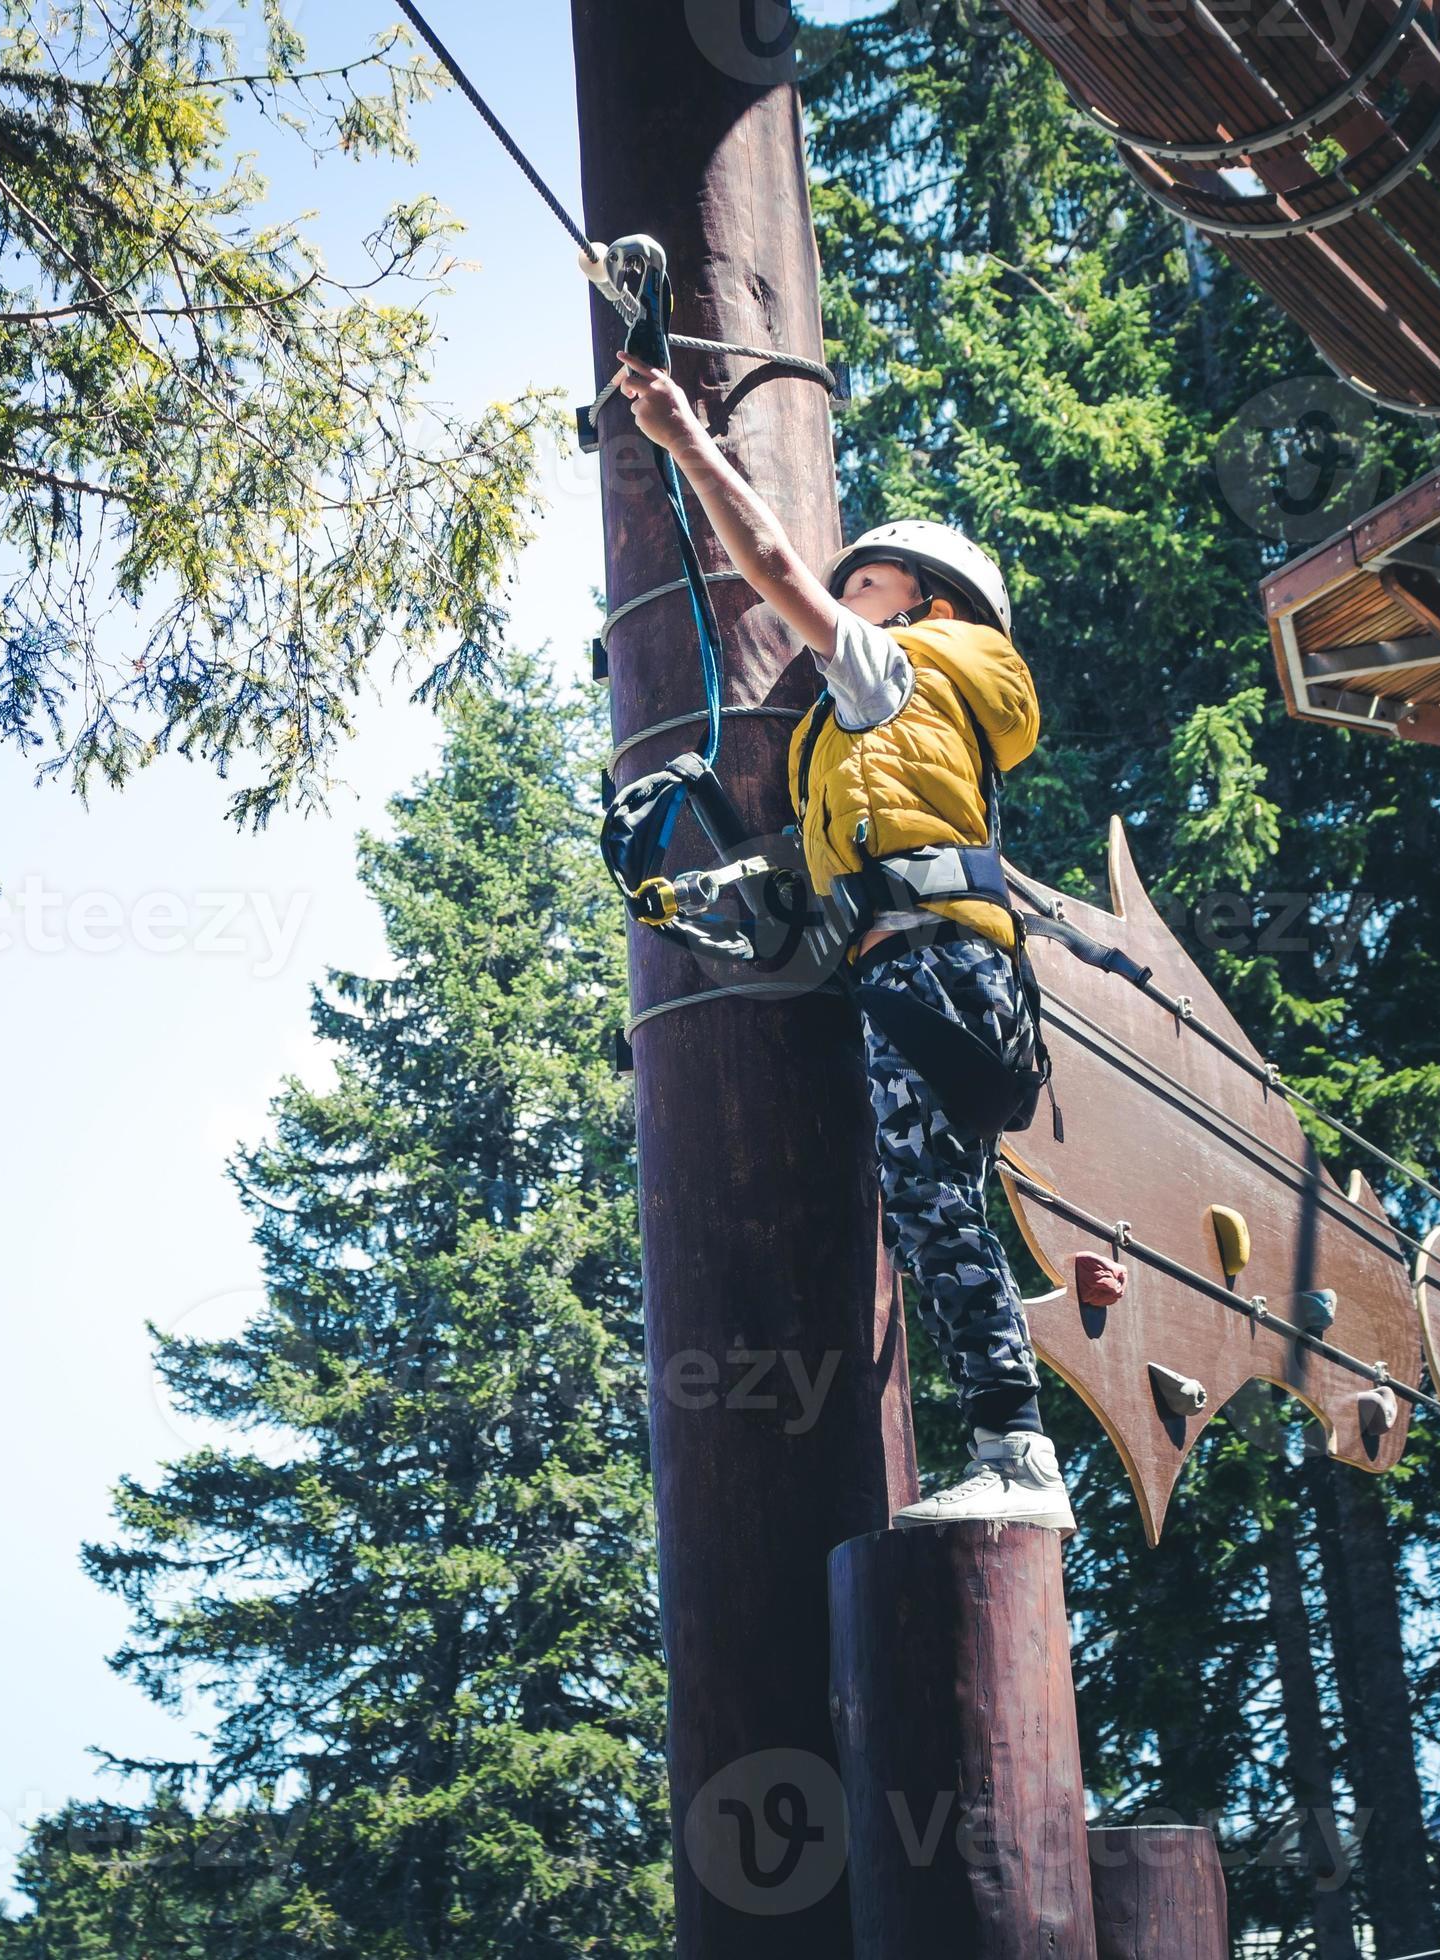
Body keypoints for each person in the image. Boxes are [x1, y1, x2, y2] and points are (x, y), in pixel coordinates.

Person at [613, 349, 1073, 1531]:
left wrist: (685, 441)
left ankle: (1016, 1452)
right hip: (940, 969)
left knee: (925, 1196)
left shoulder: (890, 675)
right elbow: (830, 890)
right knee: (935, 1196)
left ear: (927, 602)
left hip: (928, 966)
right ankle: (1010, 1439)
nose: (838, 591)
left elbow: (767, 565)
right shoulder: (902, 720)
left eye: (860, 579)